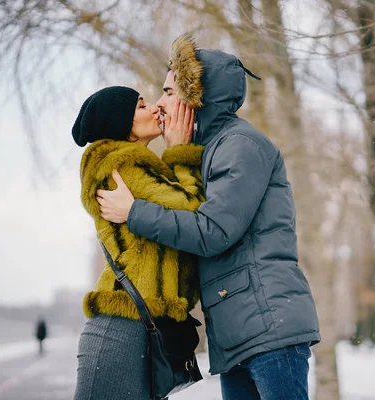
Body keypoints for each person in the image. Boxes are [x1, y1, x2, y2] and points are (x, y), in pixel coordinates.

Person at [97, 35, 321, 400]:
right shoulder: (211, 150)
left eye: (169, 92)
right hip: (239, 336)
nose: (160, 103)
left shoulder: (240, 146)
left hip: (269, 331)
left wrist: (134, 212)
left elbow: (212, 231)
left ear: (195, 96)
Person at [71, 86, 204, 400]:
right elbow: (192, 210)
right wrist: (180, 150)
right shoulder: (124, 167)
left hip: (134, 329)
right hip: (123, 331)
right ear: (122, 125)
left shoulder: (127, 166)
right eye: (142, 105)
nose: (155, 109)